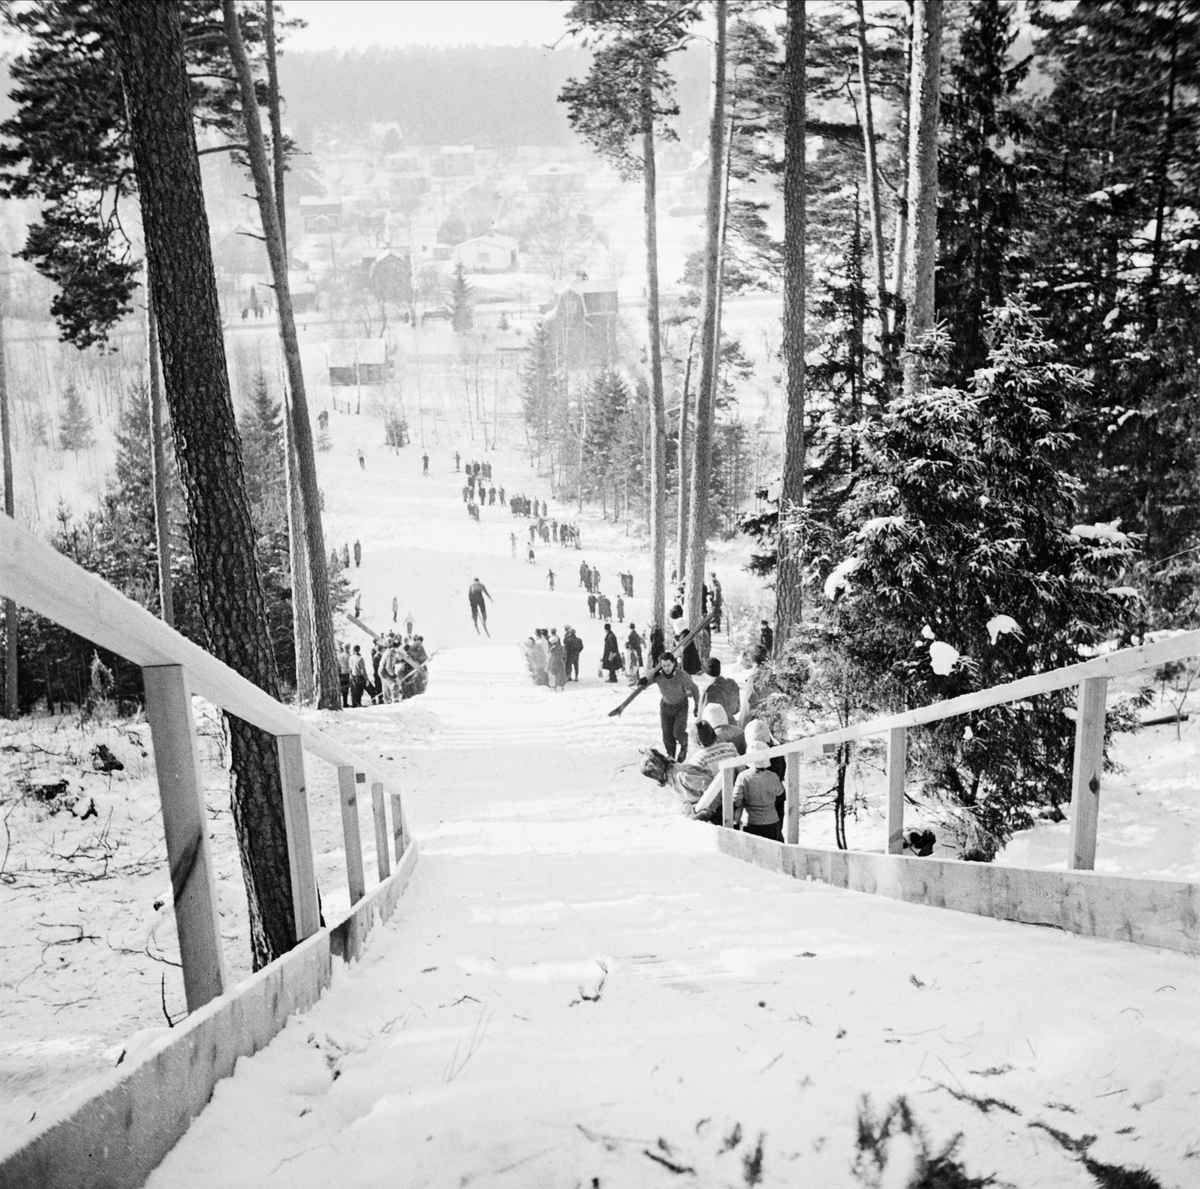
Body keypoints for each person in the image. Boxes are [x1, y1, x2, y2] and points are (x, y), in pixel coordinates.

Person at [639, 651, 699, 762]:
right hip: (666, 707)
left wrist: (697, 705)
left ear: (674, 664)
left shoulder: (682, 676)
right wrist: (642, 681)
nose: (666, 668)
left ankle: (684, 744)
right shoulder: (658, 676)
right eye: (664, 666)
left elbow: (694, 689)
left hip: (681, 706)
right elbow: (644, 684)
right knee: (667, 734)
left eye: (669, 665)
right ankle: (671, 755)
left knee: (678, 732)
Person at [668, 720, 739, 802]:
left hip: (716, 799)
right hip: (735, 793)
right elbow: (741, 769)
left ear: (696, 741)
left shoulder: (697, 759)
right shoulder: (730, 747)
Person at [732, 742, 784, 841]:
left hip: (750, 821)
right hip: (771, 820)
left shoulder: (743, 776)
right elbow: (779, 792)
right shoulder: (773, 776)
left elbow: (736, 798)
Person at [699, 657, 741, 723]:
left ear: (705, 672)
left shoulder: (707, 690)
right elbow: (736, 709)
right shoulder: (732, 684)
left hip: (713, 727)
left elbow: (701, 718)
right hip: (731, 724)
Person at [336, 642, 351, 707]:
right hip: (347, 673)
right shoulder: (349, 656)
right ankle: (345, 702)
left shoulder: (339, 656)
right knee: (346, 689)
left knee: (341, 688)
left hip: (340, 673)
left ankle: (340, 702)